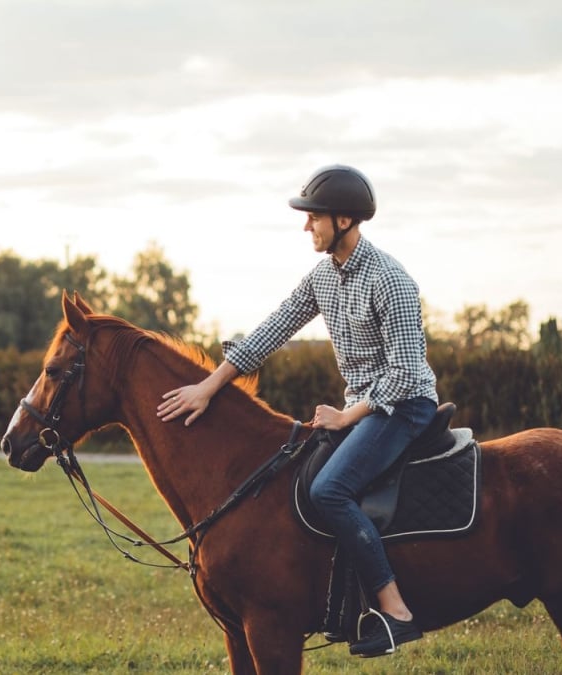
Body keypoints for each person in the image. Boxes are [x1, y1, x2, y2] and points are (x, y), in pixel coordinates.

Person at [155, 164, 438, 658]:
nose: (307, 225)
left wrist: (348, 418)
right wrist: (207, 387)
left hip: (404, 407)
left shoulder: (390, 280)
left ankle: (396, 612)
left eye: (314, 217)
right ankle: (330, 602)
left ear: (345, 220)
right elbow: (270, 332)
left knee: (330, 490)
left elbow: (408, 372)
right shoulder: (323, 277)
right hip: (362, 408)